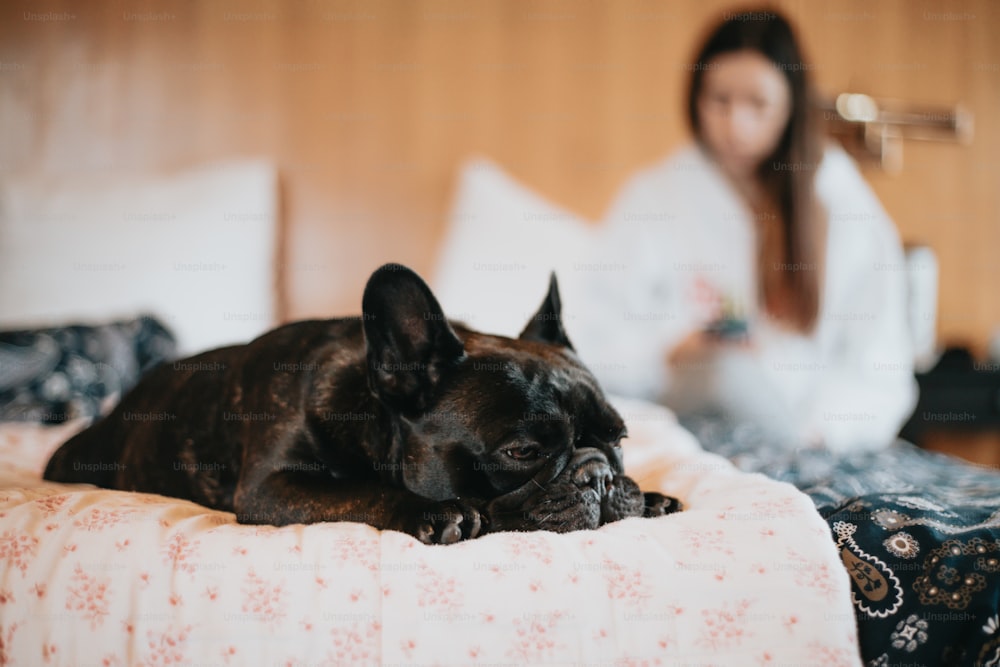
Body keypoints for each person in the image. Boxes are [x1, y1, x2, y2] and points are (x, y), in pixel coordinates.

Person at [574, 9, 917, 452]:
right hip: (685, 417)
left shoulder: (840, 203)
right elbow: (594, 340)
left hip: (805, 436)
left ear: (791, 104)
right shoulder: (655, 195)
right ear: (695, 97)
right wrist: (672, 350)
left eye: (758, 104)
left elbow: (880, 368)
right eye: (720, 100)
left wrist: (817, 432)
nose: (736, 125)